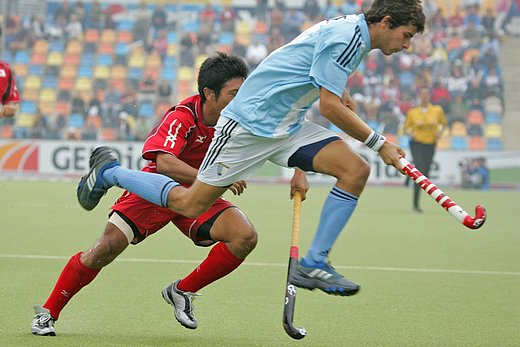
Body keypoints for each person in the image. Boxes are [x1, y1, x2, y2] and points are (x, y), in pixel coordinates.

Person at [77, 0, 425, 302]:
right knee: (190, 203)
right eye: (406, 35)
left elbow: (324, 86)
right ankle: (110, 172)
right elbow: (330, 108)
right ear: (385, 23)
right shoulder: (349, 37)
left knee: (354, 171)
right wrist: (380, 145)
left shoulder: (354, 35)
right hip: (248, 126)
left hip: (286, 126)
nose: (407, 45)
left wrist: (304, 163)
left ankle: (315, 263)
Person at [32, 53, 309, 336]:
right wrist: (214, 178)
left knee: (244, 236)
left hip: (199, 193)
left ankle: (182, 291)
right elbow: (164, 162)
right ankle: (48, 313)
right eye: (233, 93)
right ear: (208, 93)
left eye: (243, 91)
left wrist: (300, 167)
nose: (241, 99)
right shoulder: (183, 116)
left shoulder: (242, 116)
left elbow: (282, 135)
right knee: (103, 250)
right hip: (157, 188)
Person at [404, 86, 447, 213]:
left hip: (430, 144)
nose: (424, 96)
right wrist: (410, 133)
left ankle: (409, 175)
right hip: (416, 143)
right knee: (421, 172)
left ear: (429, 96)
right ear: (419, 96)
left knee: (425, 174)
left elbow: (444, 124)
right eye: (422, 94)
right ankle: (415, 205)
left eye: (426, 94)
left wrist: (440, 133)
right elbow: (406, 127)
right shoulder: (413, 112)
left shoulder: (437, 110)